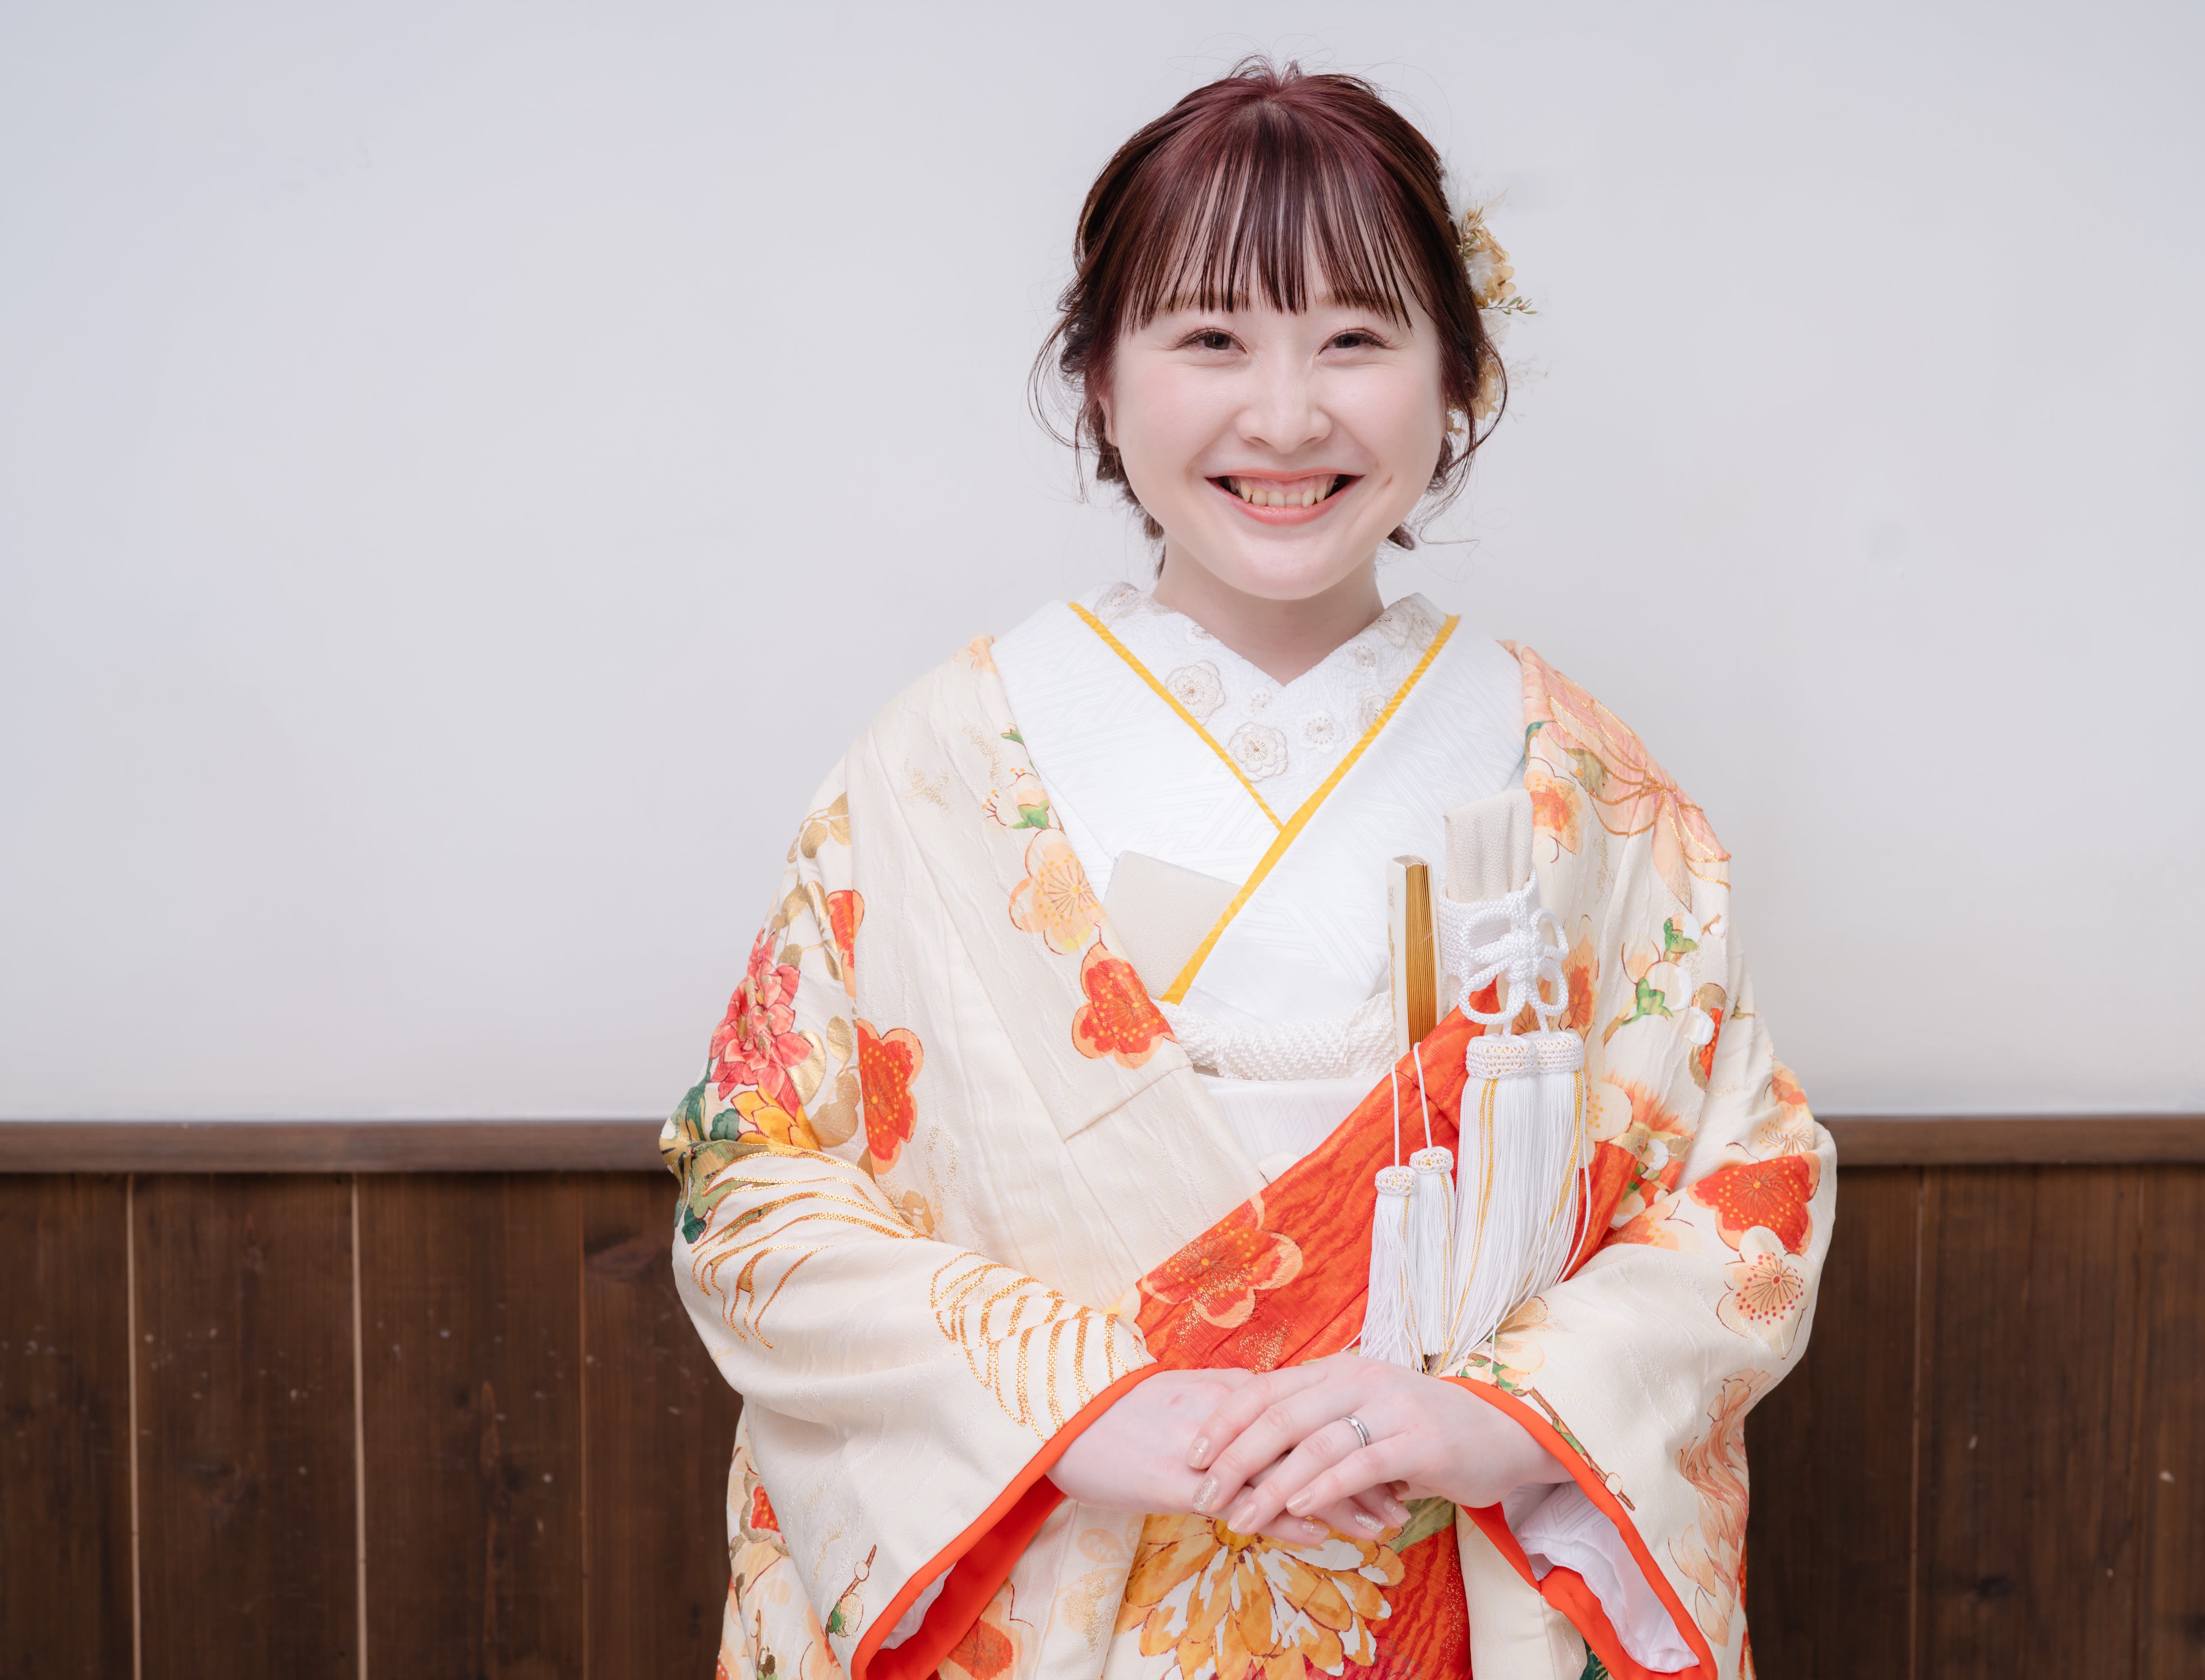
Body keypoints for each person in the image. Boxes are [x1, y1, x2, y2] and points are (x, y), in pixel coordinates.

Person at [664, 60, 1835, 1680]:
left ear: (1457, 375)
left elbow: (1738, 1182)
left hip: (1437, 1584)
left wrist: (1500, 1415)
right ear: (1099, 376)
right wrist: (1071, 1400)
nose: (1284, 417)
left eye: (1354, 339)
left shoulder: (1573, 778)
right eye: (1210, 338)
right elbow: (752, 1178)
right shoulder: (941, 761)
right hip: (1065, 1564)